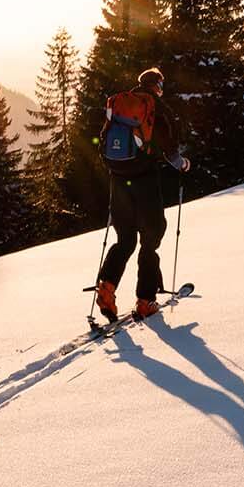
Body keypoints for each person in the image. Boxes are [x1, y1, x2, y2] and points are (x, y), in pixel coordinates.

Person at [93, 67, 191, 322]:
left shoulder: (120, 105)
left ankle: (106, 288)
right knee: (150, 237)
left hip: (118, 178)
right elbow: (169, 149)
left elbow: (103, 140)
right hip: (144, 180)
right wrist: (182, 164)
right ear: (158, 86)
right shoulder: (155, 107)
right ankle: (145, 300)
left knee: (125, 239)